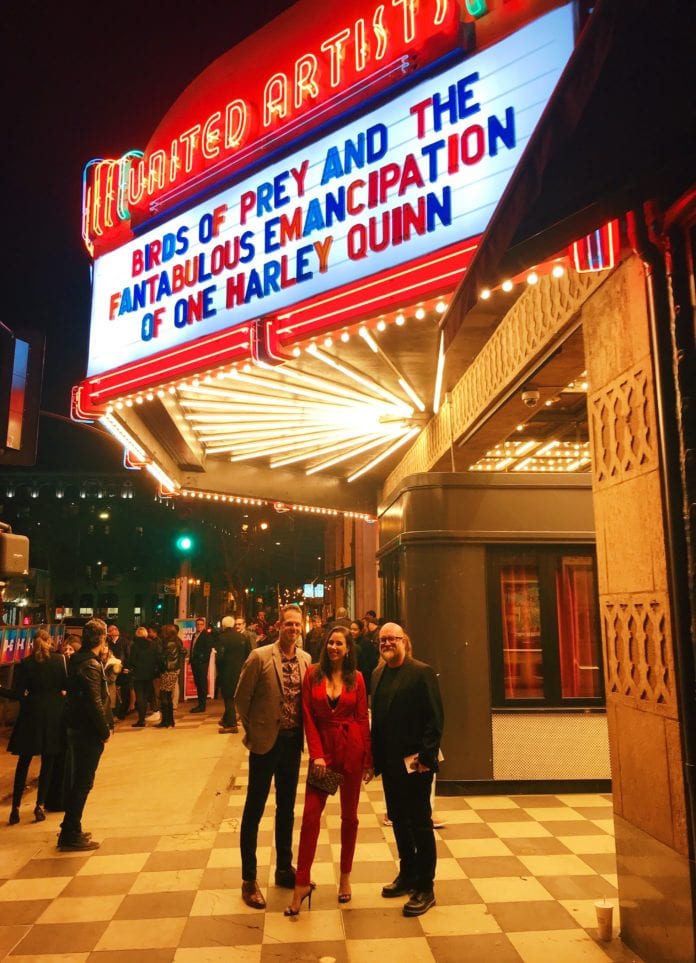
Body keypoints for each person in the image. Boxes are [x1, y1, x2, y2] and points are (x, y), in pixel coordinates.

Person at [286, 625, 372, 916]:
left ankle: (345, 877)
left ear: (348, 649)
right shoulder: (313, 674)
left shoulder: (357, 679)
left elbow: (361, 719)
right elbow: (308, 716)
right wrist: (317, 755)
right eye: (331, 643)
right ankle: (301, 883)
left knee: (350, 818)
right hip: (324, 756)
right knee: (311, 817)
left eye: (340, 644)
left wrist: (368, 760)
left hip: (351, 751)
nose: (334, 647)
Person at [234, 603, 312, 909]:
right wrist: (255, 730)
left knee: (287, 808)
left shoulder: (306, 660)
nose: (293, 629)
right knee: (254, 809)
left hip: (293, 744)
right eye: (288, 624)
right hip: (265, 743)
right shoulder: (259, 656)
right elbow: (241, 699)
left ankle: (283, 868)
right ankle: (249, 879)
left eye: (297, 625)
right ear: (279, 626)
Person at [371, 622, 444, 918]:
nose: (387, 643)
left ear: (404, 641)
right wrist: (374, 760)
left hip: (416, 765)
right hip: (390, 764)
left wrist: (426, 757)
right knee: (399, 819)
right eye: (383, 640)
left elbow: (436, 718)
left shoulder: (421, 672)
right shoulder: (377, 675)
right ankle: (408, 873)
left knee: (420, 823)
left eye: (392, 639)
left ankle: (426, 886)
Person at [59, 618, 111, 851]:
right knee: (82, 781)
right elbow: (94, 701)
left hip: (77, 727)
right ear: (101, 639)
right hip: (87, 731)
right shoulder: (89, 664)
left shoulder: (78, 660)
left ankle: (72, 826)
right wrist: (104, 730)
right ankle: (70, 833)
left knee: (79, 780)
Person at [7, 630, 67, 825]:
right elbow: (65, 685)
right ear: (49, 642)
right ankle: (39, 805)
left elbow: (18, 693)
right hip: (53, 714)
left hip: (31, 714)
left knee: (24, 761)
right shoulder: (59, 661)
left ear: (33, 644)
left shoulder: (26, 663)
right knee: (48, 761)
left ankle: (15, 807)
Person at [216, 615, 251, 733]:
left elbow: (219, 658)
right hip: (241, 671)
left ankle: (231, 724)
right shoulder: (242, 637)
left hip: (227, 672)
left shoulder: (222, 638)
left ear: (224, 625)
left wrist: (219, 671)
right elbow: (249, 655)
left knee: (228, 697)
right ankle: (226, 719)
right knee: (233, 697)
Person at [127, 627, 160, 727]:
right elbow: (156, 658)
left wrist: (130, 669)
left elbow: (132, 660)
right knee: (149, 694)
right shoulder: (152, 644)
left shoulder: (134, 646)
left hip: (138, 675)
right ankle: (155, 711)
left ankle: (141, 720)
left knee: (140, 697)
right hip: (150, 674)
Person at [156, 624, 185, 728]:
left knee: (164, 696)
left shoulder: (169, 644)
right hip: (173, 671)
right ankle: (170, 721)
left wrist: (160, 665)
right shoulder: (176, 641)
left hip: (168, 671)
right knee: (167, 696)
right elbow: (182, 652)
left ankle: (166, 721)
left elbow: (163, 659)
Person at [189, 616, 213, 712]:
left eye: (201, 624)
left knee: (202, 684)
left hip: (201, 663)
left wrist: (202, 659)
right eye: (197, 624)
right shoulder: (195, 635)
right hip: (195, 663)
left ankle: (202, 705)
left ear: (204, 625)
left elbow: (208, 650)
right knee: (198, 683)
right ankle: (200, 704)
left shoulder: (206, 635)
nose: (199, 626)